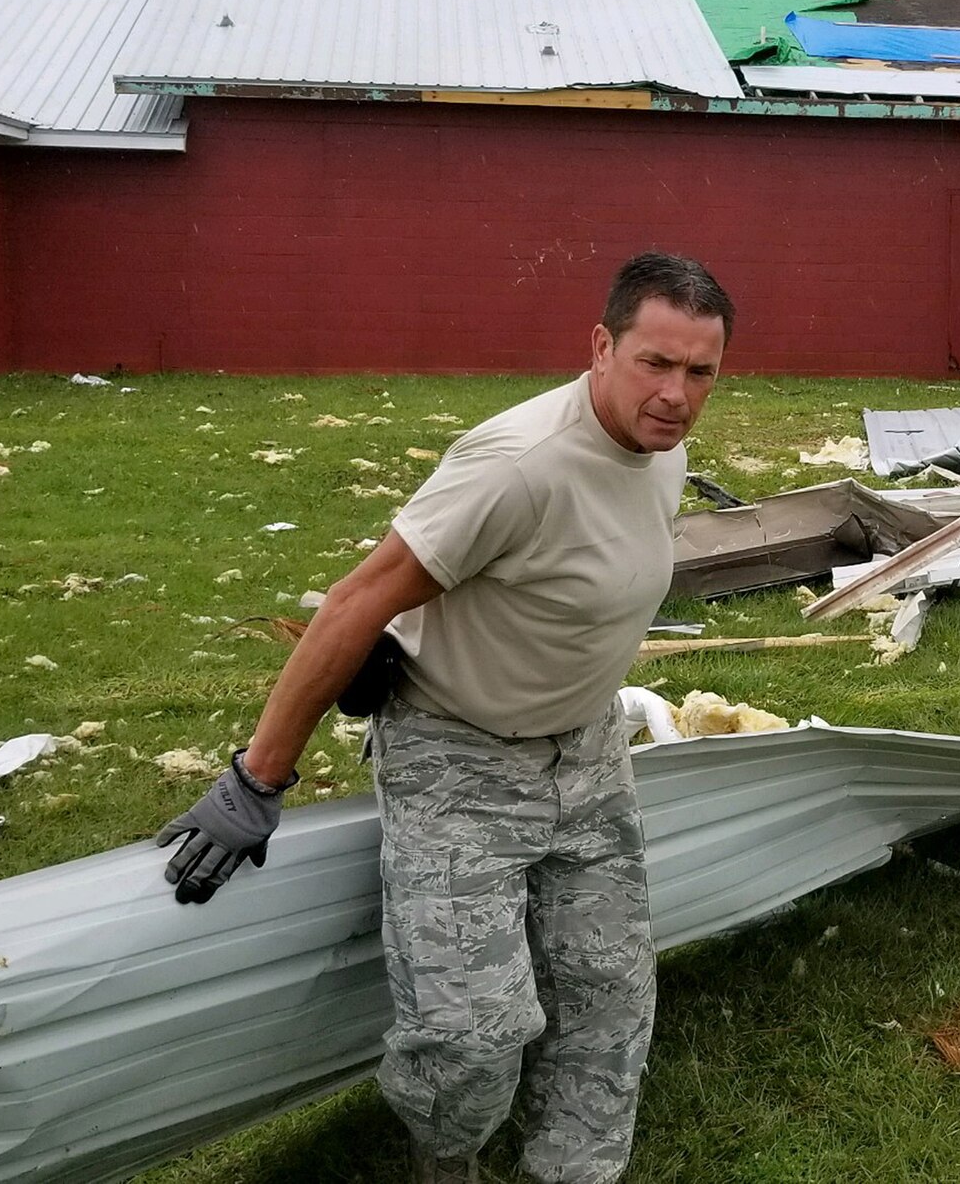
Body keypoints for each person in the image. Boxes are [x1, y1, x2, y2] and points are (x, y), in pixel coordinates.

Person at [155, 252, 734, 1184]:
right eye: (654, 363)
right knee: (471, 1039)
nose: (675, 394)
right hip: (457, 760)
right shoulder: (515, 468)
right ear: (601, 345)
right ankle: (446, 1162)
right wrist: (257, 778)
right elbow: (353, 604)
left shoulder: (661, 455)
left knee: (608, 1001)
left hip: (586, 756)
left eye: (699, 371)